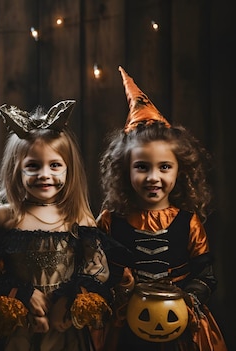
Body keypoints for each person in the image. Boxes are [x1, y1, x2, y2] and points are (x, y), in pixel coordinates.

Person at [96, 66, 227, 351]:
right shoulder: (109, 221)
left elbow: (206, 275)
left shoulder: (189, 223)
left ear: (180, 170)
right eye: (142, 167)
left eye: (164, 167)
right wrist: (118, 288)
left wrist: (186, 299)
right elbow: (93, 271)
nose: (153, 177)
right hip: (123, 324)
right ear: (124, 170)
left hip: (177, 321)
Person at [0, 100, 114, 351]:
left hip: (66, 326)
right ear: (15, 170)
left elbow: (97, 269)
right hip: (19, 326)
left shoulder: (79, 217)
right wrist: (24, 296)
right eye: (32, 166)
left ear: (68, 170)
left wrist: (68, 300)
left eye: (55, 165)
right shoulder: (4, 217)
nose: (44, 174)